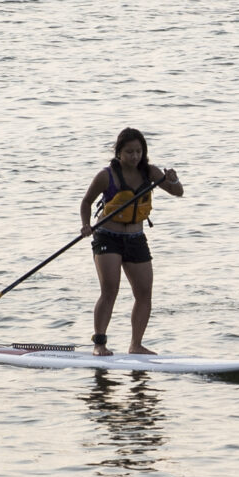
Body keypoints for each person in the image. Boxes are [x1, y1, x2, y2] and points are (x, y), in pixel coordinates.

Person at [79, 128, 183, 356]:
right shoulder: (106, 176)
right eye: (129, 152)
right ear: (119, 153)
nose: (135, 156)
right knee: (110, 290)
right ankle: (99, 343)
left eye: (138, 151)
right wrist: (86, 225)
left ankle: (136, 345)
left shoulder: (152, 172)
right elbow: (86, 202)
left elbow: (178, 192)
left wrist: (174, 180)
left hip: (136, 238)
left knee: (144, 293)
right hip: (108, 236)